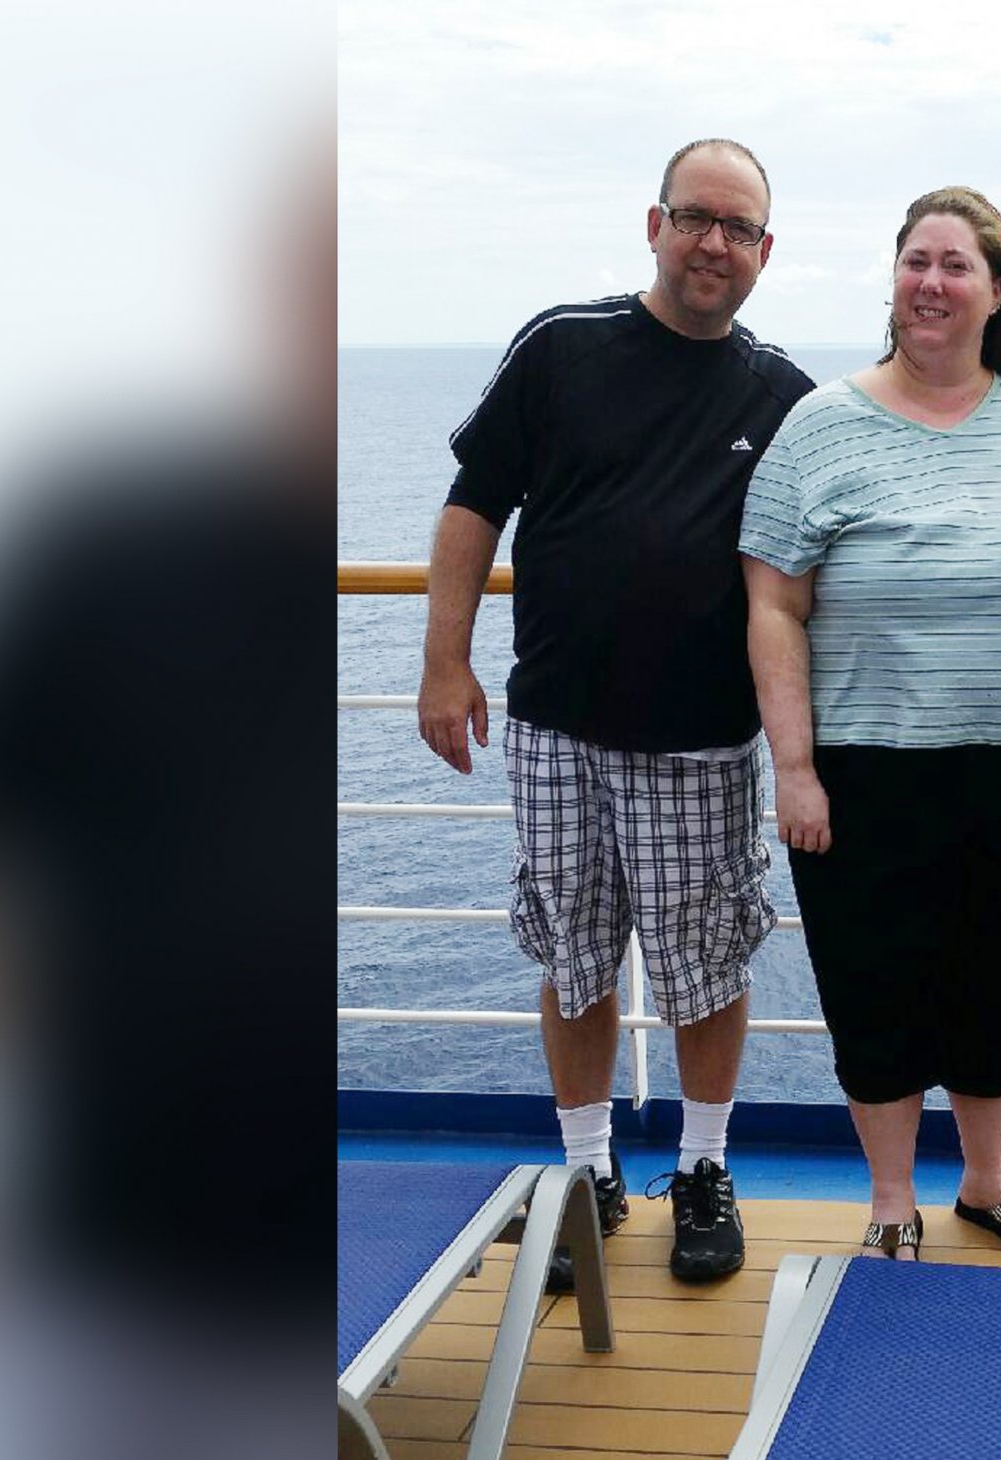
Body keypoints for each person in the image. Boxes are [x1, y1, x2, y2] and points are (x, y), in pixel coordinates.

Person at [417, 137, 814, 1285]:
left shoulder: (782, 394)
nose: (714, 243)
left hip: (701, 737)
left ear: (765, 253)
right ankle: (590, 1168)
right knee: (576, 951)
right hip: (555, 728)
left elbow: (812, 568)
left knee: (708, 960)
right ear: (654, 224)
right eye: (697, 217)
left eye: (738, 228)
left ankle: (702, 1166)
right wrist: (447, 663)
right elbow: (472, 506)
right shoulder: (561, 349)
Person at [739, 186, 1001, 1264]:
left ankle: (989, 1180)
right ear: (894, 280)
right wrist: (792, 766)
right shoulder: (821, 424)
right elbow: (773, 601)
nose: (931, 282)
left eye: (956, 265)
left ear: (994, 292)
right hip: (863, 762)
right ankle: (892, 1199)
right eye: (915, 261)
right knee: (872, 980)